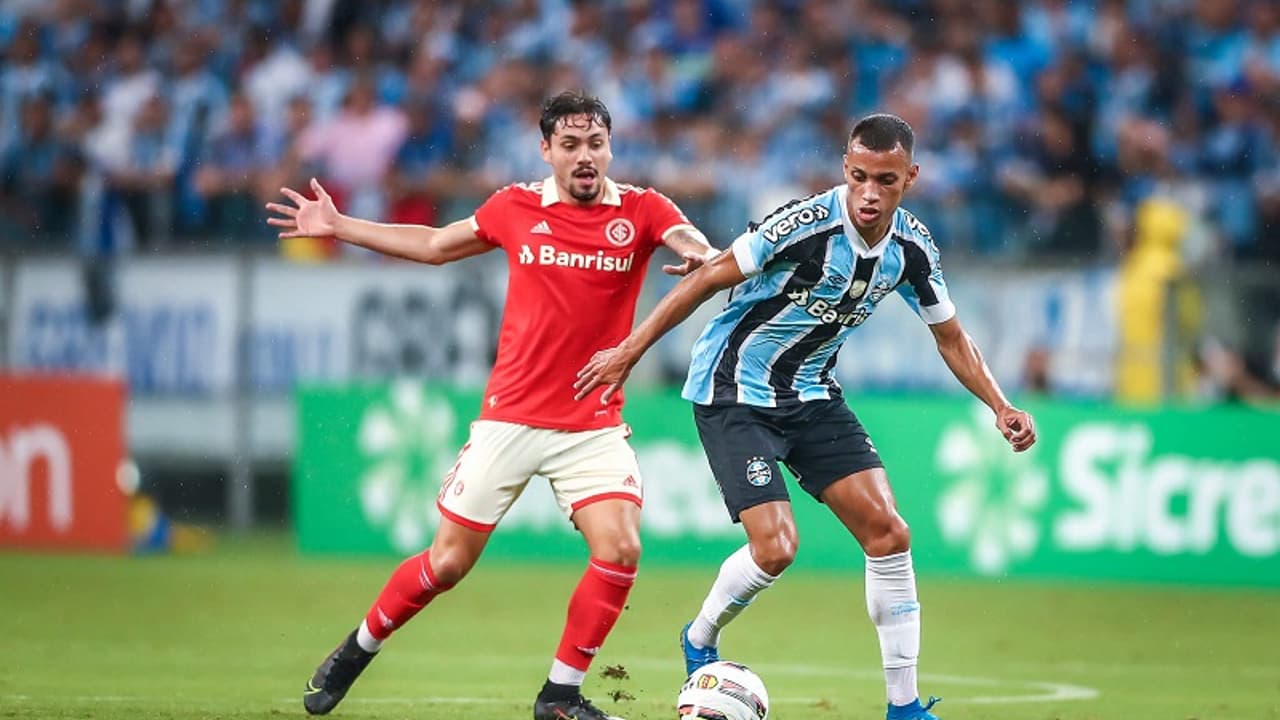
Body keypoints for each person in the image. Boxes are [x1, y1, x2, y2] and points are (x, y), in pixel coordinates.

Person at [267, 90, 717, 720]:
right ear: (547, 151)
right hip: (510, 417)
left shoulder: (641, 210)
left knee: (619, 548)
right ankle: (357, 648)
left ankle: (559, 697)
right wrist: (340, 226)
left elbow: (688, 238)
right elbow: (433, 245)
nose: (585, 157)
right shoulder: (516, 206)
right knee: (447, 563)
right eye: (570, 145)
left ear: (610, 147)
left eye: (596, 144)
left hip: (591, 422)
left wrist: (699, 254)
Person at [574, 114, 1037, 720]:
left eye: (886, 181)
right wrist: (630, 352)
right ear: (846, 168)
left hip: (812, 395)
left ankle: (905, 707)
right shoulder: (805, 224)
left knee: (889, 533)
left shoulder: (913, 248)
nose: (869, 193)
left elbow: (951, 337)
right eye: (859, 176)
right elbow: (712, 277)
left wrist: (1000, 405)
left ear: (911, 177)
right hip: (732, 389)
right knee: (776, 549)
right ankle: (700, 637)